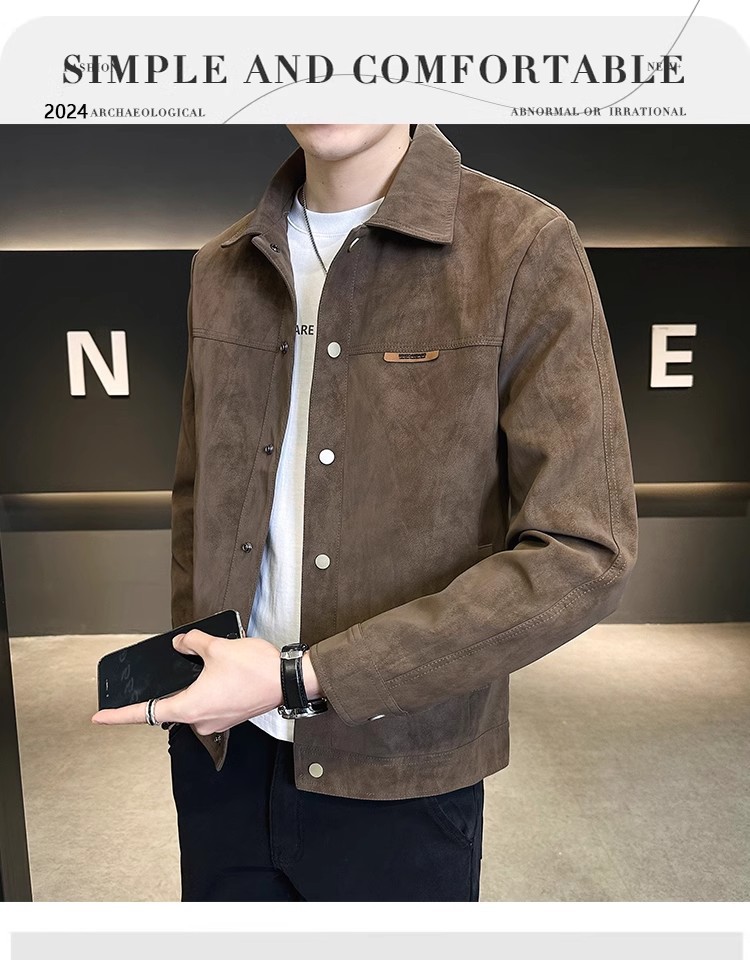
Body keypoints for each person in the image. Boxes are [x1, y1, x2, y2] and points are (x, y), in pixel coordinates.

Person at [92, 123, 639, 902]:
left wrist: (302, 676)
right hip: (225, 759)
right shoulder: (221, 265)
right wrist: (194, 662)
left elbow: (586, 552)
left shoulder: (521, 246)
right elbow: (197, 499)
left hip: (400, 771)